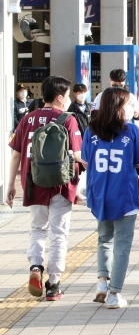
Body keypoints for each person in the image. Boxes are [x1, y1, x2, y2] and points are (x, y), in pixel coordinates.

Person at [6, 75, 82, 301]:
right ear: (60, 97)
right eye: (68, 95)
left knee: (38, 229)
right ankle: (53, 285)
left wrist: (10, 185)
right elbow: (77, 156)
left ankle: (36, 268)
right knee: (59, 235)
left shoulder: (28, 118)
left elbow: (16, 155)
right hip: (60, 185)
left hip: (33, 183)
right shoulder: (68, 119)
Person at [81, 87, 139, 309]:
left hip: (100, 194)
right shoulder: (130, 131)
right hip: (125, 195)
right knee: (122, 244)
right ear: (118, 107)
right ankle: (114, 294)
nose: (131, 108)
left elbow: (85, 161)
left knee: (104, 239)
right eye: (128, 104)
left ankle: (102, 282)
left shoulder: (91, 130)